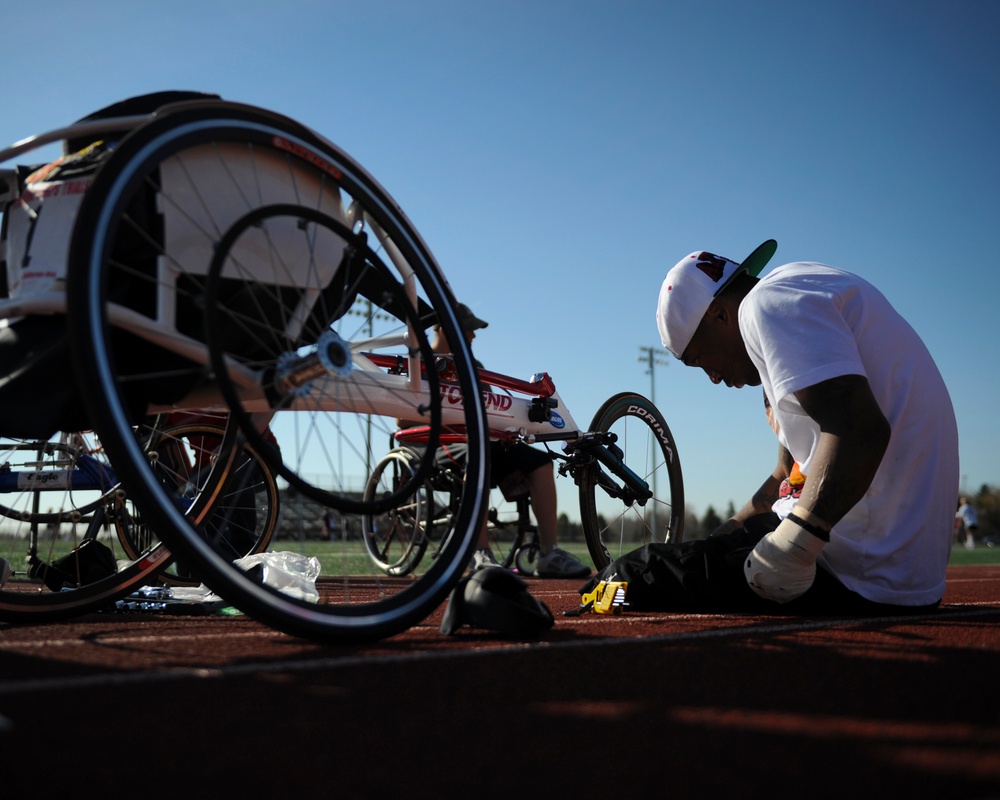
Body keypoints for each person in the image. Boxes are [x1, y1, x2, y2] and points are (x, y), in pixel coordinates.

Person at [583, 240, 959, 615]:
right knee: (675, 561)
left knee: (626, 579)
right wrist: (714, 543)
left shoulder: (766, 304)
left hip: (857, 569)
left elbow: (862, 433)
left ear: (719, 314)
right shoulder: (807, 287)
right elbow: (786, 474)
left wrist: (794, 548)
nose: (713, 378)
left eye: (699, 359)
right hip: (907, 576)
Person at [420, 303, 590, 579]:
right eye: (469, 329)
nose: (473, 336)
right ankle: (480, 552)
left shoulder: (475, 367)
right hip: (438, 443)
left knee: (540, 462)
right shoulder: (419, 362)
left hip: (483, 441)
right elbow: (402, 421)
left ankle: (550, 553)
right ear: (445, 327)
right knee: (479, 454)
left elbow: (492, 412)